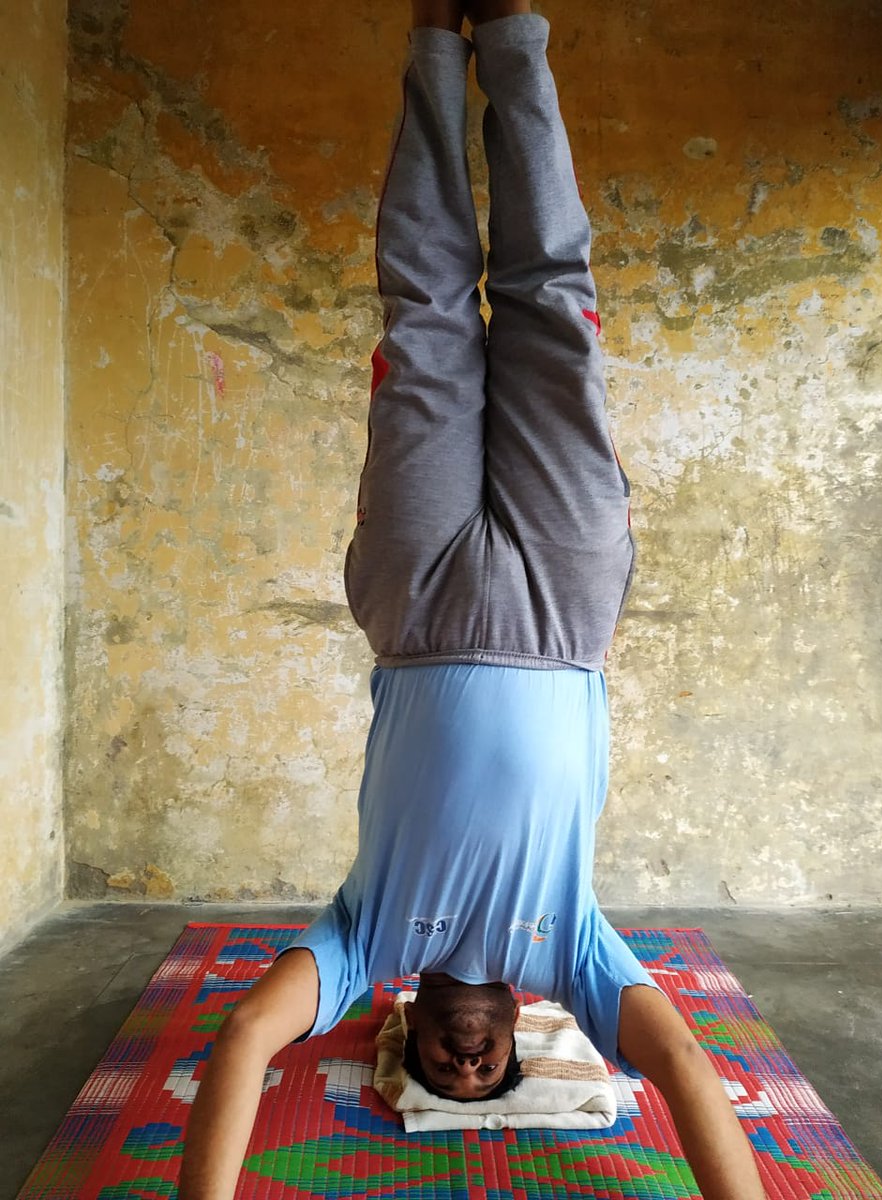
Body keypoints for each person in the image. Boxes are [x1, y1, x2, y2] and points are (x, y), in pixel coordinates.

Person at [180, 3, 767, 1198]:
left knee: (429, 311)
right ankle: (512, 31)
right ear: (521, 1034)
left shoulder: (362, 948)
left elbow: (242, 1043)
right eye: (490, 1075)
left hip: (417, 603)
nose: (472, 1064)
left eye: (447, 1077)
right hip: (563, 609)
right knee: (554, 303)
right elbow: (692, 1067)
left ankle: (435, 40)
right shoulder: (583, 956)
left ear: (405, 1041)